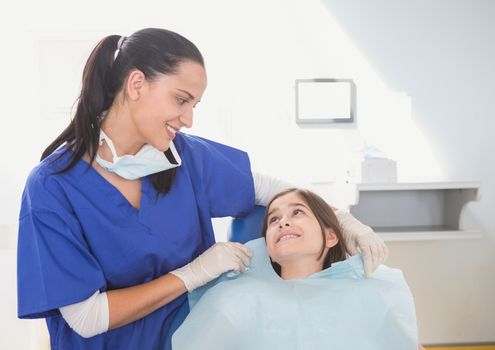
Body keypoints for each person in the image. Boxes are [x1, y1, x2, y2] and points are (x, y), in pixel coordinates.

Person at [17, 28, 388, 349]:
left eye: (194, 104)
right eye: (181, 100)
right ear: (136, 85)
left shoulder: (183, 158)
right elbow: (87, 317)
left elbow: (270, 189)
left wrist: (342, 221)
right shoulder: (52, 188)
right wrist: (192, 274)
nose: (189, 119)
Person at [172, 188, 419, 350]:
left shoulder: (372, 293)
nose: (284, 222)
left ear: (331, 236)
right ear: (266, 246)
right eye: (273, 220)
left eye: (298, 212)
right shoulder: (233, 299)